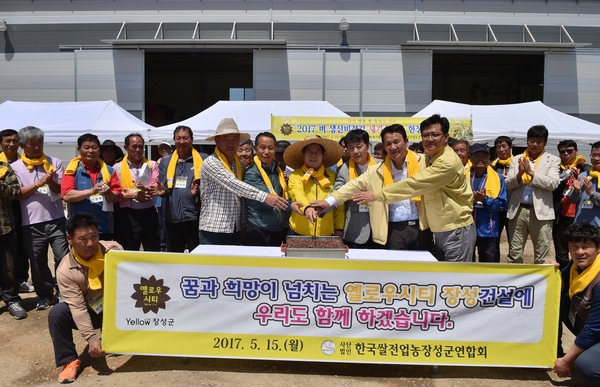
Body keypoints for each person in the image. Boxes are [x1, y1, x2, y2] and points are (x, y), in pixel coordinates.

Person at [352, 114, 476, 262]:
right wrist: (330, 201)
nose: (430, 139)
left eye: (435, 134)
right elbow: (353, 185)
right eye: (425, 135)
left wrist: (377, 195)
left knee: (454, 279)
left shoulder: (444, 162)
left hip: (454, 229)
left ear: (446, 137)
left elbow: (413, 185)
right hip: (438, 230)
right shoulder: (430, 158)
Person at [311, 124, 431, 250]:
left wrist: (374, 195)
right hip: (392, 229)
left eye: (396, 142)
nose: (393, 147)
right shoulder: (377, 170)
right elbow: (351, 186)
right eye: (388, 144)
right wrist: (327, 202)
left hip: (422, 226)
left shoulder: (424, 162)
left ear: (406, 142)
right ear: (384, 146)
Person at [48, 213, 122, 384]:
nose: (90, 244)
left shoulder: (114, 251)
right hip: (89, 311)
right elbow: (78, 308)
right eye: (83, 239)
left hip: (114, 309)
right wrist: (92, 339)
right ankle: (69, 361)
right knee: (57, 313)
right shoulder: (65, 270)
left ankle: (125, 337)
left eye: (94, 236)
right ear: (69, 238)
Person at [199, 118, 288, 245]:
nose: (230, 143)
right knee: (212, 265)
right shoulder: (211, 162)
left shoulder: (238, 164)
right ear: (216, 140)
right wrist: (266, 197)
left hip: (234, 228)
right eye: (225, 139)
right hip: (214, 229)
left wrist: (242, 224)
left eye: (234, 139)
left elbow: (241, 199)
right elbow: (235, 185)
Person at [12, 126, 68, 310]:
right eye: (32, 144)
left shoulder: (54, 162)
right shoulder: (15, 167)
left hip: (57, 219)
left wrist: (51, 180)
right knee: (37, 261)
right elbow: (18, 194)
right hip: (32, 223)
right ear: (22, 145)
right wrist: (38, 183)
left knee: (62, 256)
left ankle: (63, 291)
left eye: (40, 143)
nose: (37, 147)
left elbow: (62, 190)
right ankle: (45, 294)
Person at [550, 222, 600, 384]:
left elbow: (594, 329)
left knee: (586, 366)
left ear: (598, 248)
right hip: (595, 331)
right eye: (574, 246)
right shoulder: (575, 266)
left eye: (586, 246)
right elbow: (561, 286)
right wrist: (552, 273)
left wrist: (567, 360)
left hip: (596, 330)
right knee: (556, 300)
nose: (579, 252)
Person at [505, 125, 560, 264]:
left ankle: (539, 285)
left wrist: (531, 173)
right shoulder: (516, 158)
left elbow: (553, 184)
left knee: (542, 255)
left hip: (541, 212)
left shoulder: (552, 160)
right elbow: (507, 184)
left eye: (539, 141)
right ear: (527, 141)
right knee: (514, 254)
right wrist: (520, 174)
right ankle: (514, 284)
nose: (535, 144)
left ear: (545, 142)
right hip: (518, 210)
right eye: (532, 140)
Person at [62, 133, 122, 241]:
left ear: (99, 150)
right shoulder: (71, 170)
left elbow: (115, 198)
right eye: (86, 147)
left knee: (103, 258)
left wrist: (109, 193)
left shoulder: (109, 170)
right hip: (79, 228)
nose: (91, 151)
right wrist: (91, 191)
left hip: (103, 228)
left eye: (94, 147)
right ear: (79, 150)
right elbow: (67, 195)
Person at [285, 136, 344, 237]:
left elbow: (339, 204)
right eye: (309, 151)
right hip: (298, 232)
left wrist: (339, 228)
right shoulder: (295, 175)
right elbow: (297, 193)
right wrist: (307, 208)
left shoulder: (333, 176)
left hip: (326, 234)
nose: (313, 155)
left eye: (318, 152)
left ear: (323, 155)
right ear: (303, 155)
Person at [114, 133, 164, 251]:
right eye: (134, 146)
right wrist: (135, 195)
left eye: (141, 146)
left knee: (153, 251)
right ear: (126, 148)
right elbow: (116, 194)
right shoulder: (117, 168)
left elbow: (155, 187)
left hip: (149, 213)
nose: (138, 150)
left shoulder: (151, 165)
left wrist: (145, 187)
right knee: (129, 251)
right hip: (128, 215)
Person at [158, 126, 202, 252]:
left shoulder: (201, 159)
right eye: (179, 138)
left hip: (195, 217)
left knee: (196, 255)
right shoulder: (166, 162)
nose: (182, 141)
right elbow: (164, 187)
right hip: (173, 218)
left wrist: (197, 191)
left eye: (185, 138)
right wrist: (162, 191)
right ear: (174, 140)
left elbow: (209, 186)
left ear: (192, 140)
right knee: (174, 255)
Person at [0, 129, 34, 293]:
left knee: (21, 247)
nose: (11, 144)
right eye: (7, 141)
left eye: (14, 141)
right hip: (4, 210)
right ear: (1, 143)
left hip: (21, 208)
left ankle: (21, 279)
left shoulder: (25, 162)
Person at [243, 132, 292, 246]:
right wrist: (295, 206)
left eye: (270, 148)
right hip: (258, 228)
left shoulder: (277, 170)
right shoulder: (252, 172)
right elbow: (270, 200)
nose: (266, 152)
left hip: (277, 227)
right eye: (262, 147)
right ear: (255, 148)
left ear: (275, 149)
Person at [331, 129, 377, 248]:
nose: (355, 151)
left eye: (359, 146)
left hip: (380, 228)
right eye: (351, 148)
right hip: (355, 230)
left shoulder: (382, 165)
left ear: (368, 146)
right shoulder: (343, 169)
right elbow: (338, 192)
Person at [552, 140, 590, 270]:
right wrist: (564, 177)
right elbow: (553, 190)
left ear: (576, 151)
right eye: (562, 152)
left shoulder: (586, 169)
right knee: (561, 253)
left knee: (580, 252)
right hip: (560, 217)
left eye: (570, 151)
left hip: (579, 217)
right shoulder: (556, 170)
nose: (566, 154)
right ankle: (563, 285)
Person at [467, 143, 507, 263]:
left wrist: (485, 200)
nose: (480, 159)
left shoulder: (498, 178)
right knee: (467, 262)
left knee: (488, 263)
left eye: (483, 156)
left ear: (489, 158)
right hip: (466, 227)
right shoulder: (464, 176)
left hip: (488, 229)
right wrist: (471, 200)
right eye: (477, 155)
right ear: (470, 157)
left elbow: (501, 203)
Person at [0, 159, 27, 319]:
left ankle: (11, 300)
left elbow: (14, 192)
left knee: (8, 267)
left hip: (4, 227)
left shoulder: (4, 168)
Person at [491, 135, 514, 258]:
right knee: (494, 240)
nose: (501, 149)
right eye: (498, 147)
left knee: (514, 240)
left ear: (510, 147)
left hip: (512, 207)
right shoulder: (492, 165)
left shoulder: (517, 164)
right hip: (497, 208)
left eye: (504, 146)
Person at [569, 141, 600, 228]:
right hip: (580, 227)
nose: (596, 158)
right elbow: (573, 200)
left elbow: (592, 194)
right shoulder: (583, 175)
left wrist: (591, 193)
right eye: (593, 155)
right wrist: (576, 191)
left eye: (599, 155)